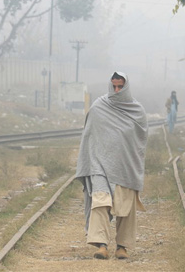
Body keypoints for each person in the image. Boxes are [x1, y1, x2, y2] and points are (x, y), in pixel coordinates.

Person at [75, 72, 148, 260]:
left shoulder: (137, 111)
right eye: (114, 86)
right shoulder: (99, 107)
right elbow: (89, 137)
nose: (116, 90)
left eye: (120, 87)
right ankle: (102, 245)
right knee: (100, 202)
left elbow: (139, 142)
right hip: (99, 166)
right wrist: (90, 163)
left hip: (125, 167)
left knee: (125, 207)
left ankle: (122, 246)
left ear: (126, 87)